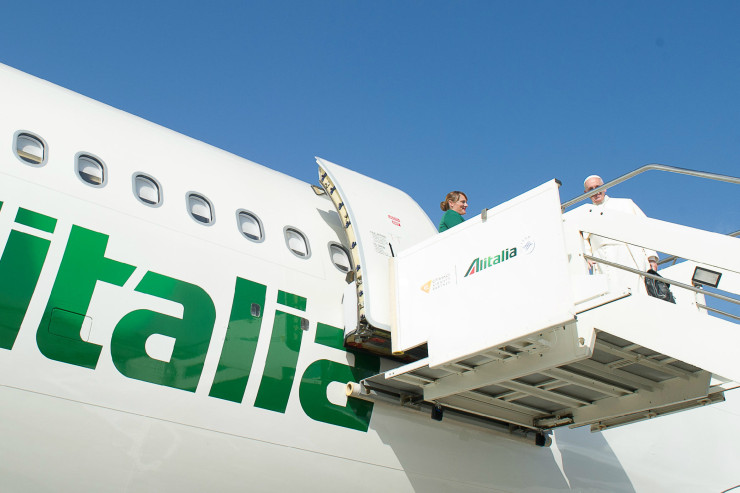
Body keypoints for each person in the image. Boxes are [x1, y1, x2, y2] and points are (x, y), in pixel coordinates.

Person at [582, 175, 659, 292]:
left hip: (629, 256)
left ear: (605, 188)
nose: (595, 192)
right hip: (602, 260)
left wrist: (651, 257)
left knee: (637, 290)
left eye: (598, 187)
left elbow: (644, 230)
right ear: (586, 192)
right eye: (591, 189)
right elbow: (584, 241)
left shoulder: (625, 204)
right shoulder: (584, 215)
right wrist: (587, 257)